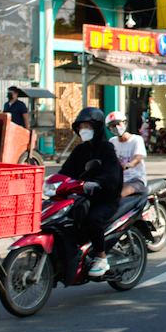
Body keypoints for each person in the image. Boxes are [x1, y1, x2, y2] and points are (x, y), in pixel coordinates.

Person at [59, 107, 123, 279]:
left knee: (93, 219)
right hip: (83, 196)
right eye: (80, 127)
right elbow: (65, 171)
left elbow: (112, 175)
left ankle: (101, 257)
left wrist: (97, 183)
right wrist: (54, 181)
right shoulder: (80, 150)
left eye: (87, 126)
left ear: (97, 127)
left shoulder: (107, 149)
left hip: (106, 198)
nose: (83, 130)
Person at [106, 110, 146, 197]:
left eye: (118, 124)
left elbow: (138, 158)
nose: (116, 127)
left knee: (119, 195)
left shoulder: (136, 139)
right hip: (117, 180)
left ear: (124, 123)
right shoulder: (112, 142)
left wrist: (127, 165)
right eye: (112, 126)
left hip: (135, 179)